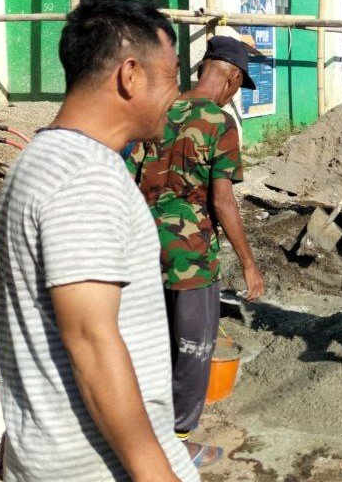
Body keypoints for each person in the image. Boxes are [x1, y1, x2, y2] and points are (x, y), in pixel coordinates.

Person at [0, 0, 197, 481]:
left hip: (58, 450)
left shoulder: (42, 158)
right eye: (170, 76)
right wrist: (156, 473)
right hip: (98, 464)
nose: (178, 93)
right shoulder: (87, 176)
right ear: (130, 75)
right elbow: (90, 337)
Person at [127, 34, 265, 465]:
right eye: (238, 88)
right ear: (232, 78)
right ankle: (177, 440)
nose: (234, 95)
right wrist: (248, 264)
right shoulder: (220, 123)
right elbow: (222, 200)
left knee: (148, 340)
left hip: (143, 245)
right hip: (191, 257)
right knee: (193, 349)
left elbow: (128, 174)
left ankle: (140, 424)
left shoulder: (159, 108)